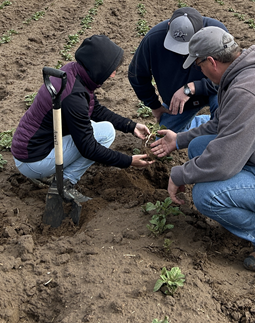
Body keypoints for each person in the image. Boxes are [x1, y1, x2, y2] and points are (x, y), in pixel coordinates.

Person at [151, 27, 255, 271]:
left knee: (205, 195)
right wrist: (178, 140)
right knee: (200, 146)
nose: (199, 70)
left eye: (198, 64)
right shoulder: (246, 75)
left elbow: (224, 162)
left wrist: (179, 174)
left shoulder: (246, 90)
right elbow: (220, 124)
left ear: (211, 62)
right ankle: (245, 206)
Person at [12, 35, 152, 203]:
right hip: (33, 159)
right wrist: (128, 161)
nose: (113, 75)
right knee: (105, 133)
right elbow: (88, 148)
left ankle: (58, 175)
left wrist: (131, 125)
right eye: (111, 69)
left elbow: (95, 110)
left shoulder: (73, 72)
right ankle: (64, 183)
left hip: (28, 146)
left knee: (93, 127)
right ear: (98, 66)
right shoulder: (73, 96)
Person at [128, 7, 227, 133]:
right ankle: (201, 124)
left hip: (214, 90)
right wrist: (154, 106)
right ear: (169, 26)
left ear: (200, 31)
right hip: (180, 100)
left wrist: (193, 87)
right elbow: (136, 75)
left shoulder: (218, 35)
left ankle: (217, 126)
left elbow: (230, 76)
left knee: (223, 123)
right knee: (163, 137)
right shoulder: (154, 38)